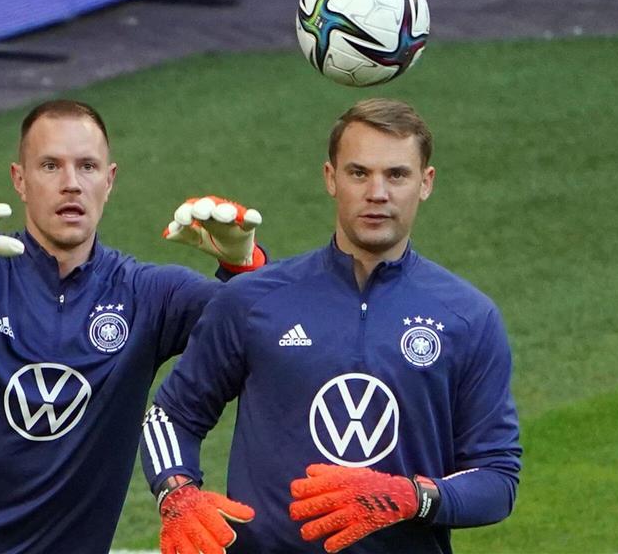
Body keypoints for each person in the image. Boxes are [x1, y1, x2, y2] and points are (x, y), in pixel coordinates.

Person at [0, 99, 266, 554]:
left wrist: (243, 264)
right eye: (50, 166)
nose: (71, 184)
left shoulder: (148, 295)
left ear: (110, 180)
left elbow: (261, 331)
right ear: (19, 180)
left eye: (87, 166)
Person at [140, 98, 522, 554]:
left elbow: (497, 478)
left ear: (426, 183)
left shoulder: (468, 318)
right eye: (359, 173)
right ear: (330, 178)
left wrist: (412, 498)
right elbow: (172, 416)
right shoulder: (253, 300)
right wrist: (176, 492)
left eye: (396, 175)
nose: (377, 192)